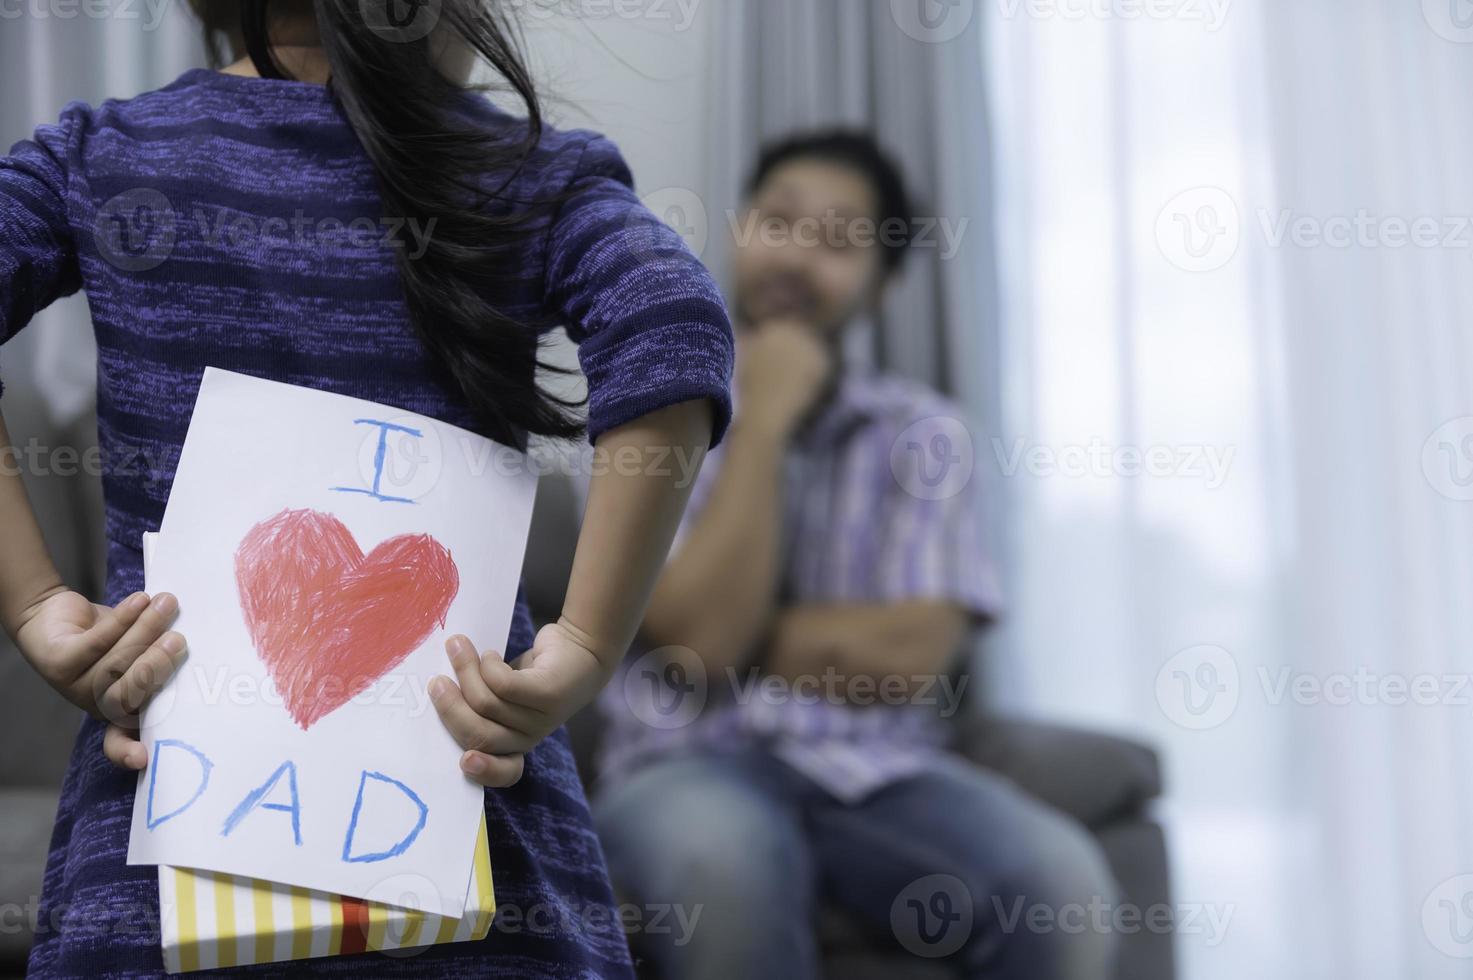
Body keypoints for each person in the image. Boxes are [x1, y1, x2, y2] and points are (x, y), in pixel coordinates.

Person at [0, 2, 732, 977]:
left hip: (162, 856)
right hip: (476, 830)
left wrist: (37, 603)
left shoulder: (104, 156)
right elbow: (674, 324)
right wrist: (588, 644)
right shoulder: (523, 172)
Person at [592, 131, 1120, 979]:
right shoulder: (658, 413)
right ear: (738, 228)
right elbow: (698, 642)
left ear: (885, 280)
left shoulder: (929, 434)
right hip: (681, 765)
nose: (798, 256)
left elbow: (906, 657)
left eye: (838, 241)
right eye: (779, 222)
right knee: (723, 874)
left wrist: (739, 623)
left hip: (874, 770)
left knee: (1059, 886)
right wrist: (759, 417)